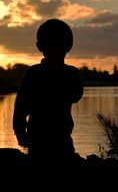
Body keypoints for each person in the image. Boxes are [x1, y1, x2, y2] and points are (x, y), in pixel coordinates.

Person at [13, 18, 83, 166]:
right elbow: (76, 95)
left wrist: (21, 134)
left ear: (39, 46)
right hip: (50, 138)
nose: (55, 51)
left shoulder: (35, 73)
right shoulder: (70, 74)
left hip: (50, 137)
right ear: (69, 46)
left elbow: (20, 109)